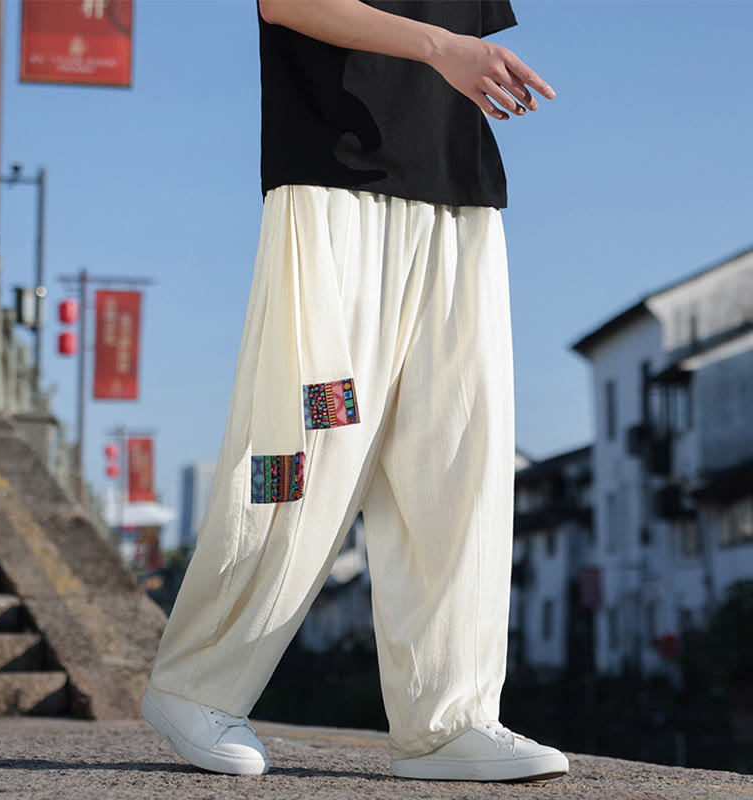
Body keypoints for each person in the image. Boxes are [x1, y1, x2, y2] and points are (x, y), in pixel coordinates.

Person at [142, 0, 569, 783]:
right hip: (334, 183)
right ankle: (196, 683)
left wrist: (453, 54)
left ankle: (449, 719)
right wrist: (442, 46)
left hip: (459, 191)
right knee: (309, 442)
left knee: (457, 457)